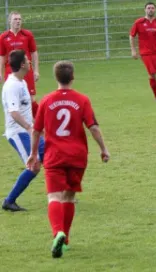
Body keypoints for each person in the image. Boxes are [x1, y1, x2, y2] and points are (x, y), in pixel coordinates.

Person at [27, 60, 110, 259]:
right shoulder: (82, 100)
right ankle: (66, 239)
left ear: (56, 78)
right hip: (77, 156)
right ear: (72, 77)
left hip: (54, 155)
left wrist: (33, 154)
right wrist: (103, 149)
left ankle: (58, 233)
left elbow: (36, 130)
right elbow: (93, 127)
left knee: (54, 197)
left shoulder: (46, 101)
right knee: (70, 197)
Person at [1, 49, 44, 212]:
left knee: (50, 153)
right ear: (22, 65)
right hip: (18, 132)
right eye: (27, 60)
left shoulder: (22, 82)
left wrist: (37, 128)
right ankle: (9, 201)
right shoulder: (12, 85)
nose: (30, 62)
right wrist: (29, 127)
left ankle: (61, 194)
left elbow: (26, 109)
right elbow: (14, 112)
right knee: (34, 166)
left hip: (29, 130)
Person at [0, 11, 41, 117]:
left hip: (26, 71)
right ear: (10, 21)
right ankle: (13, 124)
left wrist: (36, 70)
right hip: (10, 72)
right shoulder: (3, 37)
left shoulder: (27, 35)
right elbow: (2, 56)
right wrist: (0, 72)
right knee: (12, 98)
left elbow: (34, 53)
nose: (18, 21)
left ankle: (39, 122)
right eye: (15, 19)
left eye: (19, 19)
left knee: (31, 99)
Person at [129, 2, 156, 101]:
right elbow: (132, 36)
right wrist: (133, 50)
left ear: (155, 10)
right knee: (152, 74)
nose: (150, 10)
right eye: (148, 8)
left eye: (152, 8)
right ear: (145, 10)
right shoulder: (139, 22)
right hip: (146, 53)